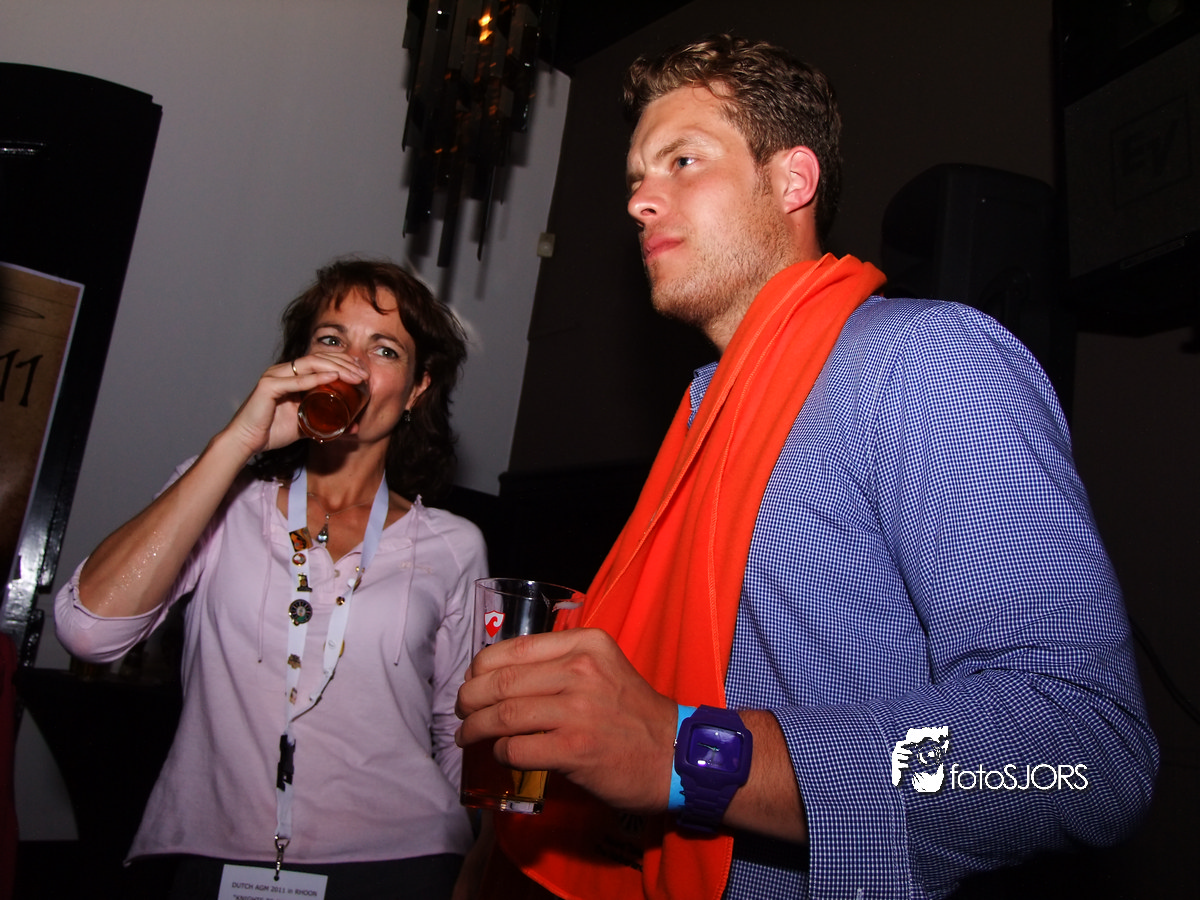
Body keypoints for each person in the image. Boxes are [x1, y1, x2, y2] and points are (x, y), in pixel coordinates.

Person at [454, 35, 1158, 900]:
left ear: (794, 180)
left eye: (682, 160)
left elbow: (1081, 753)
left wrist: (692, 755)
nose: (639, 200)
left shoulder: (926, 361)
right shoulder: (705, 417)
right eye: (635, 177)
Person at [55, 258, 486, 899]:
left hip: (404, 862)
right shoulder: (223, 502)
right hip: (218, 855)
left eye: (384, 349)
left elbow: (458, 727)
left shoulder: (454, 545)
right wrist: (238, 442)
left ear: (417, 388)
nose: (351, 365)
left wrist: (477, 867)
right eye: (332, 339)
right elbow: (88, 632)